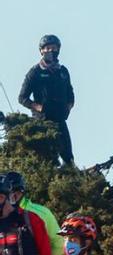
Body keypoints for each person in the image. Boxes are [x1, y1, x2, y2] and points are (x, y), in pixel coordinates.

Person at [19, 34, 76, 165]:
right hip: (42, 121)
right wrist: (39, 108)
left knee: (68, 157)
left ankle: (71, 180)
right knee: (48, 159)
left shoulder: (63, 71)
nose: (51, 51)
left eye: (53, 48)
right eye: (47, 48)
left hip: (60, 120)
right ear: (41, 51)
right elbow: (22, 98)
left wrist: (68, 107)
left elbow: (70, 93)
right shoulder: (35, 72)